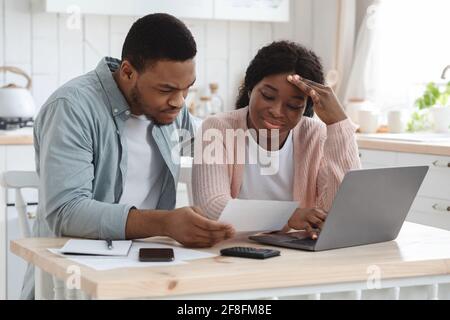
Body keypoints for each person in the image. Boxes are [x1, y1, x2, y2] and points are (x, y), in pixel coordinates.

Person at [22, 13, 234, 299]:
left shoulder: (173, 109)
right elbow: (66, 211)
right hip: (73, 281)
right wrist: (166, 222)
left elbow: (218, 146)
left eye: (187, 89)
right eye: (167, 89)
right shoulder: (72, 108)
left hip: (146, 274)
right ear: (127, 72)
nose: (179, 101)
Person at [192, 41, 361, 239]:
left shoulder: (316, 135)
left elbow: (345, 210)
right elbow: (212, 207)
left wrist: (338, 125)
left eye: (293, 105)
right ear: (250, 89)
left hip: (295, 258)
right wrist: (287, 217)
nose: (276, 111)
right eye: (268, 96)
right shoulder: (218, 129)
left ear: (305, 108)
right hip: (232, 252)